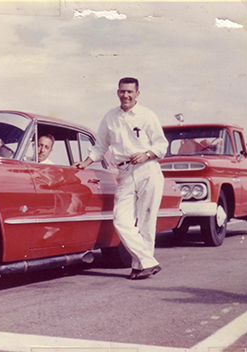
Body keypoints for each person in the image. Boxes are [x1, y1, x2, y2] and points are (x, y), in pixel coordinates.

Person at [73, 77, 168, 280]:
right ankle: (148, 262)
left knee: (146, 222)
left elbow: (161, 145)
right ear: (117, 92)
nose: (126, 95)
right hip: (124, 173)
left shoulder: (147, 115)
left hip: (147, 169)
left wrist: (147, 154)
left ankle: (139, 265)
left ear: (137, 94)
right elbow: (100, 146)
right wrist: (86, 162)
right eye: (122, 91)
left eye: (130, 92)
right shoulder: (110, 117)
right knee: (121, 220)